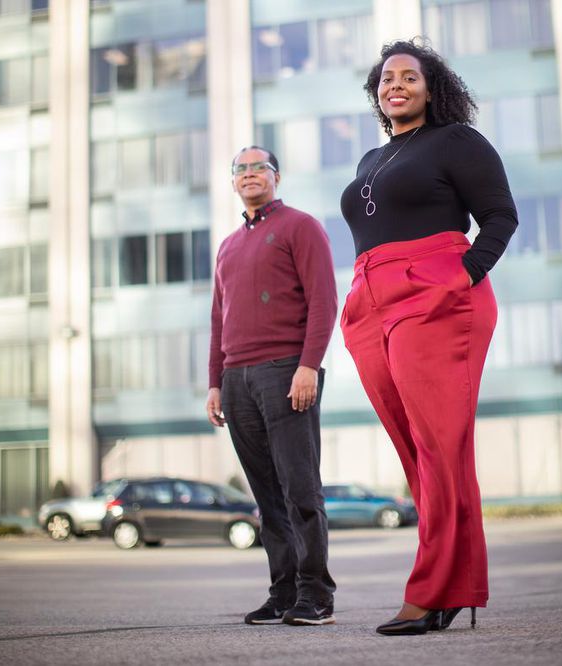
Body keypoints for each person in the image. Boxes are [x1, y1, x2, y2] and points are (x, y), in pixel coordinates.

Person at [339, 39, 518, 636]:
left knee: (439, 447)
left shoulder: (456, 141)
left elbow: (500, 216)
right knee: (414, 448)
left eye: (409, 76)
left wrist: (460, 277)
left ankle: (433, 590)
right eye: (386, 78)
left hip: (434, 292)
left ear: (430, 87)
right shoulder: (371, 158)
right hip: (370, 300)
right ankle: (453, 582)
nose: (396, 85)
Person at [206, 146, 338, 626]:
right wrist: (215, 382)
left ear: (275, 176)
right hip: (237, 380)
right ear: (233, 183)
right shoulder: (227, 245)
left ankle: (316, 595)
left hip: (286, 371)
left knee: (300, 489)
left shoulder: (301, 226)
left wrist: (309, 366)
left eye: (258, 167)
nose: (248, 174)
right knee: (266, 497)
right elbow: (219, 320)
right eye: (239, 169)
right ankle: (282, 592)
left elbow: (325, 300)